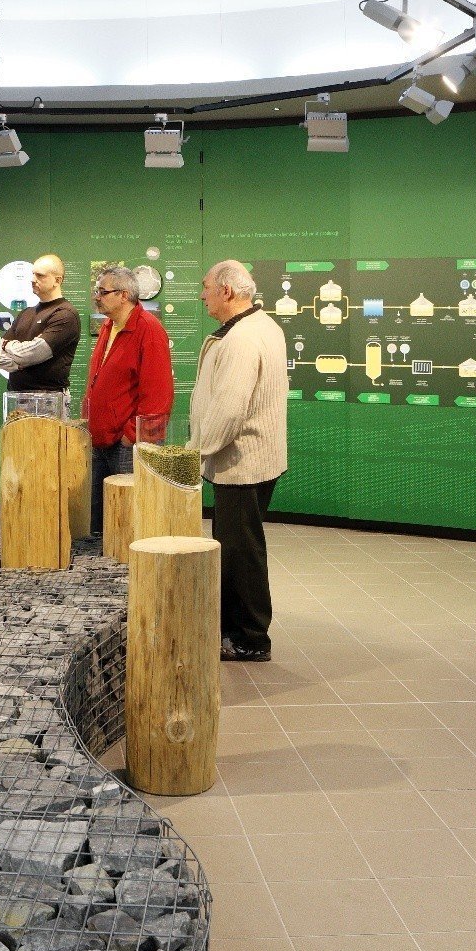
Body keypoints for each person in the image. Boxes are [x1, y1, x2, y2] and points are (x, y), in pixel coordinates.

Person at [190, 260, 288, 663]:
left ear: (226, 291)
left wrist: (197, 451)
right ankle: (235, 628)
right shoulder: (260, 326)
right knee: (237, 548)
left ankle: (250, 637)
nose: (202, 295)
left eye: (206, 288)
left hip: (242, 462)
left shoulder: (243, 338)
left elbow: (230, 408)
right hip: (248, 460)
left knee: (241, 553)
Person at [83, 264, 174, 532]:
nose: (96, 297)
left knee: (128, 521)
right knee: (101, 519)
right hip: (101, 439)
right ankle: (99, 570)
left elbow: (158, 395)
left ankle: (126, 571)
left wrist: (131, 435)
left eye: (103, 291)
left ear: (124, 295)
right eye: (97, 291)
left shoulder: (149, 329)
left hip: (127, 444)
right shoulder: (108, 327)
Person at [0, 254, 81, 395]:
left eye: (40, 275)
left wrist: (8, 347)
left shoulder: (65, 314)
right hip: (16, 398)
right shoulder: (25, 313)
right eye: (33, 274)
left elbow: (35, 353)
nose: (33, 280)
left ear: (57, 280)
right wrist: (20, 360)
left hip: (49, 401)